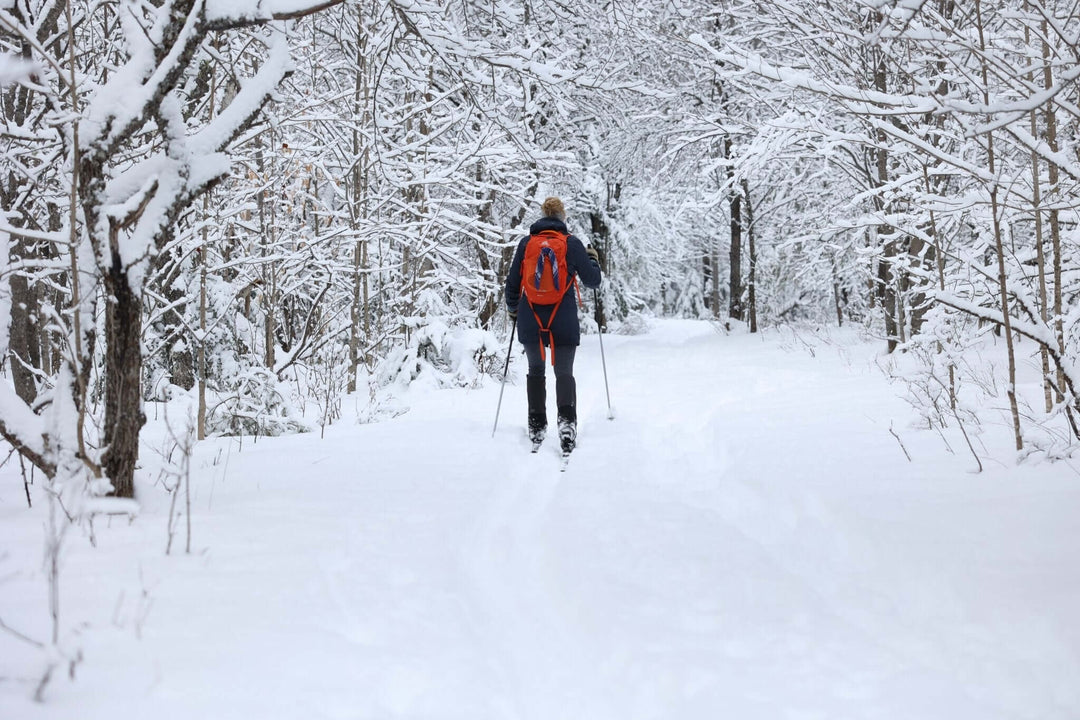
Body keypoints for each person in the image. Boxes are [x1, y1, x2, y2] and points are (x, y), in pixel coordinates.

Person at [505, 196, 602, 454]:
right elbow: (593, 281)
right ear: (563, 217)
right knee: (564, 372)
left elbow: (512, 284)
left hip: (531, 316)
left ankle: (536, 425)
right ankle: (567, 426)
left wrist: (515, 311)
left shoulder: (526, 244)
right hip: (563, 317)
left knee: (536, 369)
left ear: (542, 215)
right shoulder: (571, 244)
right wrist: (592, 260)